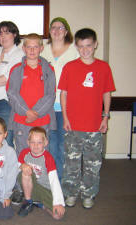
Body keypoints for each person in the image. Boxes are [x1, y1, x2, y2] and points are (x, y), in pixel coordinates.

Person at [58, 28, 115, 209]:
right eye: (81, 46)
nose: (85, 50)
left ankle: (88, 194)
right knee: (71, 163)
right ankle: (71, 193)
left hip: (94, 126)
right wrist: (65, 118)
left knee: (92, 163)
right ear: (76, 46)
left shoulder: (103, 67)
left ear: (95, 45)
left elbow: (107, 93)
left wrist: (105, 117)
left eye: (88, 46)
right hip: (73, 125)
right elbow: (63, 94)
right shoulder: (69, 67)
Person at [6, 33, 56, 205]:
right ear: (24, 48)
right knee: (23, 154)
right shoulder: (16, 70)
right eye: (29, 46)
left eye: (36, 46)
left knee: (41, 156)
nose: (33, 50)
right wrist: (26, 112)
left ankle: (40, 188)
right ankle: (20, 189)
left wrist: (36, 112)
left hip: (42, 121)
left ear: (41, 48)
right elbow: (11, 93)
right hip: (22, 120)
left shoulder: (49, 69)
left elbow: (50, 95)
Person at [41, 17, 79, 181]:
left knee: (63, 148)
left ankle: (61, 183)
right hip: (46, 107)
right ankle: (50, 182)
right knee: (48, 147)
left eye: (60, 27)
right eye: (53, 27)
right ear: (49, 31)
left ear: (66, 31)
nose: (56, 30)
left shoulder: (74, 50)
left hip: (66, 108)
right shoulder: (43, 50)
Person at [17, 127, 65, 220]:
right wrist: (22, 165)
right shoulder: (24, 153)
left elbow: (54, 180)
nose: (36, 145)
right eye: (32, 142)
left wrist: (58, 202)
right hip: (30, 186)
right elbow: (16, 166)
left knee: (57, 216)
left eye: (39, 142)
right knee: (25, 172)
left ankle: (41, 204)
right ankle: (28, 201)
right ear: (28, 142)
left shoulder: (48, 158)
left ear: (45, 143)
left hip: (44, 189)